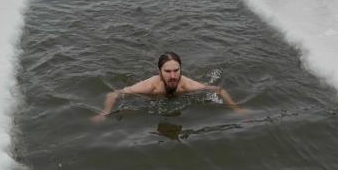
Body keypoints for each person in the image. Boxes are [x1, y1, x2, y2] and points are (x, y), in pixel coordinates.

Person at [91, 52, 245, 123]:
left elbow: (219, 89)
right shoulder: (149, 87)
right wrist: (105, 113)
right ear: (159, 72)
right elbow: (114, 93)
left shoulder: (188, 85)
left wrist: (235, 108)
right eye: (167, 71)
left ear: (180, 70)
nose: (172, 76)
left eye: (176, 71)